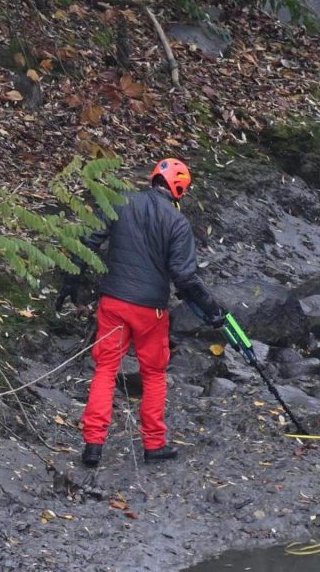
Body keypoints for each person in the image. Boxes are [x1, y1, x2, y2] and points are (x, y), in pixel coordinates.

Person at [56, 158, 226, 467]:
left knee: (105, 370)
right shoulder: (177, 224)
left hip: (114, 304)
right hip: (151, 312)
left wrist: (70, 282)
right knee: (154, 374)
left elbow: (89, 241)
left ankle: (93, 445)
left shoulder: (122, 202)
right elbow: (185, 278)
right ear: (180, 190)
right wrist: (210, 309)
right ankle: (154, 445)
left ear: (153, 179)